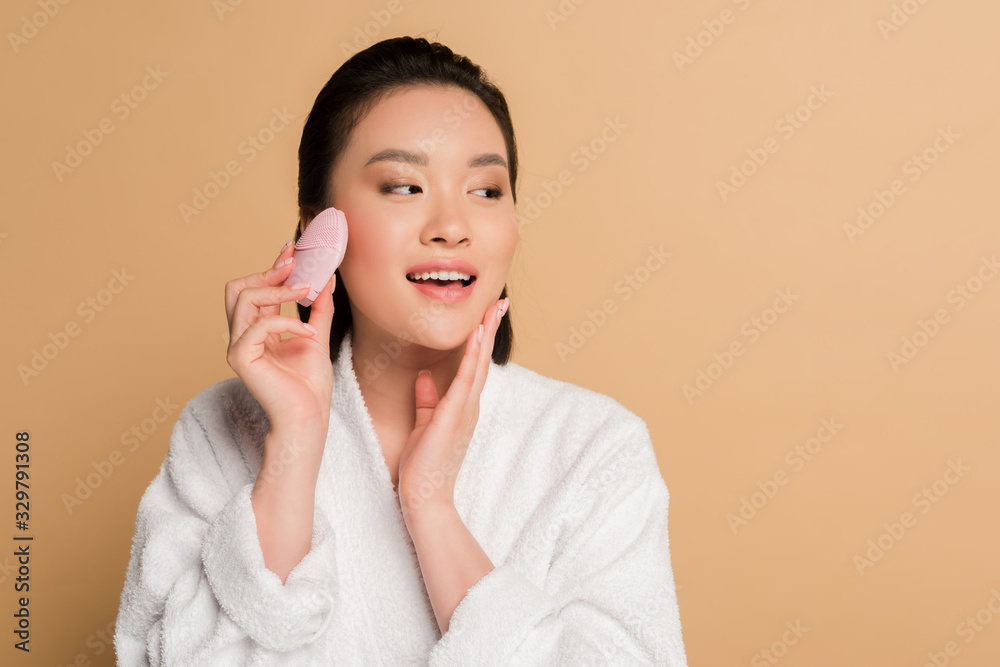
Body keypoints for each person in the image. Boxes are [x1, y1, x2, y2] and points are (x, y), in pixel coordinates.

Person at [114, 36, 688, 665]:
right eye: (403, 186)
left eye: (487, 190)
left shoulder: (593, 447)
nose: (451, 224)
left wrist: (431, 507)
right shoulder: (219, 432)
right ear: (318, 229)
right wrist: (295, 453)